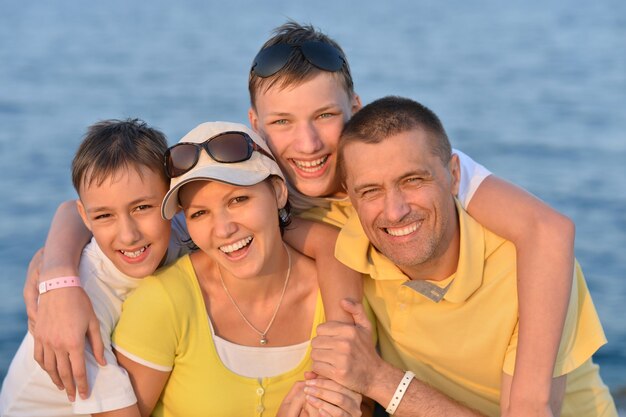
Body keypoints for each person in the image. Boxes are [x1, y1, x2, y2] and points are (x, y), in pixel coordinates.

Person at [27, 22, 574, 415]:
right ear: (257, 124)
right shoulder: (256, 189)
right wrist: (57, 274)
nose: (307, 143)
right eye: (283, 122)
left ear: (355, 110)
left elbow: (549, 230)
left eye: (326, 117)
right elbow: (119, 210)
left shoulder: (396, 170)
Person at [309, 96, 617, 417]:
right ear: (350, 195)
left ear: (454, 175)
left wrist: (378, 379)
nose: (395, 211)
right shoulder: (352, 235)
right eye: (370, 190)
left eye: (413, 180)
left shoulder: (528, 272)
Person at [104, 121, 362, 417]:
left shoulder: (335, 292)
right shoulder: (164, 301)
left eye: (238, 200)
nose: (224, 229)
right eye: (199, 213)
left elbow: (361, 407)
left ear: (278, 192)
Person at [0, 119, 196, 416]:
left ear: (173, 198)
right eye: (105, 216)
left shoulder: (183, 231)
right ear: (86, 217)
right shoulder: (88, 300)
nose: (128, 235)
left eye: (142, 207)